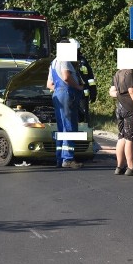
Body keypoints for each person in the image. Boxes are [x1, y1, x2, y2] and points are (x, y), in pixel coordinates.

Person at [46, 39, 84, 168]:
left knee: (61, 127)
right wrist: (78, 87)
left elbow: (49, 84)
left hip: (57, 94)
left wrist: (59, 89)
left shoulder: (53, 63)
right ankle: (68, 159)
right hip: (67, 94)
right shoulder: (65, 60)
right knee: (69, 127)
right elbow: (67, 77)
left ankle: (59, 158)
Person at [112, 66, 133, 176]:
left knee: (122, 136)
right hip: (131, 109)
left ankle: (119, 166)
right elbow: (132, 90)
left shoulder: (118, 74)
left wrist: (120, 96)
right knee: (130, 138)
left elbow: (112, 91)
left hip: (120, 107)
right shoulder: (129, 74)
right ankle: (131, 167)